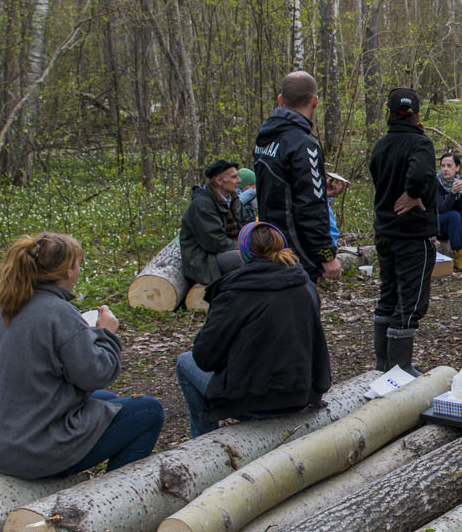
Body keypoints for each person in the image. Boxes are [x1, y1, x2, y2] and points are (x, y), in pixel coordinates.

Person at [0, 232, 164, 479]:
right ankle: (112, 498)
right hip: (31, 451)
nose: (78, 270)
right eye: (77, 264)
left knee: (106, 400)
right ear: (68, 272)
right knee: (147, 411)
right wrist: (105, 333)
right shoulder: (58, 313)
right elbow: (96, 374)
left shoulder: (4, 310)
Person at [174, 222, 333, 438]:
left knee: (185, 362)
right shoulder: (305, 283)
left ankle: (203, 440)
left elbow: (204, 357)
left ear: (243, 252)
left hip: (252, 401)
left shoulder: (234, 291)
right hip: (303, 394)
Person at [254, 71, 347, 285]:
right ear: (315, 102)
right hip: (295, 253)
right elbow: (310, 207)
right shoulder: (304, 146)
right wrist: (327, 256)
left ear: (280, 100)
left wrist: (321, 191)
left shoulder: (265, 139)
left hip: (270, 242)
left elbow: (284, 188)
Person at [369, 87, 438, 374]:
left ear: (389, 112)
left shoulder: (381, 145)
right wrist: (413, 192)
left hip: (385, 231)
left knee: (389, 294)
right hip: (411, 235)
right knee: (409, 302)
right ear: (417, 114)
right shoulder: (420, 144)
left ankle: (385, 364)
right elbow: (420, 173)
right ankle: (398, 369)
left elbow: (375, 175)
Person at [180, 158, 250, 289]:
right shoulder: (202, 205)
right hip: (204, 260)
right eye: (234, 177)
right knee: (251, 258)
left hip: (224, 252)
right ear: (219, 181)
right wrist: (248, 248)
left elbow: (247, 224)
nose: (239, 181)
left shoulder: (232, 199)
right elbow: (215, 243)